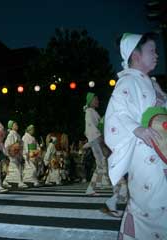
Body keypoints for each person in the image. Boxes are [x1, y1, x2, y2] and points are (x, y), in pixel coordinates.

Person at [104, 32, 167, 238]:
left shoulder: (151, 82)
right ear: (136, 55)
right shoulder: (127, 82)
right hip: (145, 154)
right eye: (152, 50)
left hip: (161, 152)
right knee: (149, 205)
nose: (156, 55)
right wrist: (138, 129)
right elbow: (117, 114)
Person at [83, 92, 111, 195]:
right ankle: (92, 188)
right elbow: (92, 130)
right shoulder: (89, 112)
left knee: (101, 164)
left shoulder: (93, 112)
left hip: (97, 140)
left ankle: (99, 184)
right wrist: (101, 142)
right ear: (91, 101)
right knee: (101, 164)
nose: (97, 101)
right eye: (96, 99)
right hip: (96, 141)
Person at [3, 120, 28, 188]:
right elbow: (7, 145)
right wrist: (10, 152)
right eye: (15, 124)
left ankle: (5, 181)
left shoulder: (17, 134)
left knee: (13, 168)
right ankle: (20, 182)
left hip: (16, 153)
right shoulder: (11, 135)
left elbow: (21, 144)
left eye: (17, 124)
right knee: (16, 168)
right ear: (11, 126)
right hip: (13, 154)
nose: (17, 126)